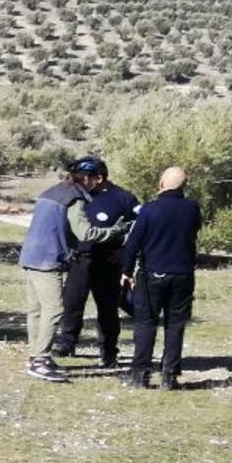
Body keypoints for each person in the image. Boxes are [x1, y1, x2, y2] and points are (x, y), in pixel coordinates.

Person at [17, 163, 132, 383]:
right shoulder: (74, 198)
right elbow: (85, 232)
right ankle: (40, 361)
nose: (98, 186)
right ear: (89, 179)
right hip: (48, 259)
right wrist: (116, 231)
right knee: (54, 309)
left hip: (30, 255)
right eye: (96, 180)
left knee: (36, 310)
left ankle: (36, 354)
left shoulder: (50, 192)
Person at [49, 156, 139, 366]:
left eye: (83, 177)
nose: (79, 181)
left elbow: (140, 224)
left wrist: (131, 261)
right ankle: (67, 343)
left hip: (110, 261)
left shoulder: (123, 198)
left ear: (98, 178)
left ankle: (109, 352)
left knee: (108, 308)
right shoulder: (77, 195)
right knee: (72, 303)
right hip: (80, 259)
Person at [119, 166, 203, 390]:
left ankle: (140, 375)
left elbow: (133, 243)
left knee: (145, 323)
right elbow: (193, 232)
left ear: (161, 184)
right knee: (175, 325)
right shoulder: (192, 209)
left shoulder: (149, 210)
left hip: (153, 274)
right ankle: (169, 376)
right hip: (183, 275)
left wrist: (126, 271)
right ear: (184, 186)